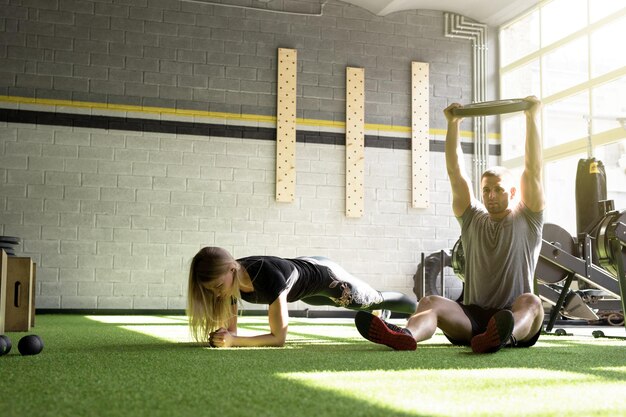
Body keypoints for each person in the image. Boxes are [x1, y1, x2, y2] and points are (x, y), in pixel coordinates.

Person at [355, 96, 545, 353]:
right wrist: (453, 124)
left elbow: (533, 169)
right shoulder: (472, 218)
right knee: (430, 301)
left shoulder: (528, 217)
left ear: (513, 193)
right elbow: (456, 173)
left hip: (513, 314)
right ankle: (406, 334)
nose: (490, 196)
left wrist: (531, 117)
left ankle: (503, 336)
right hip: (472, 318)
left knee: (532, 302)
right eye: (486, 190)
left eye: (498, 190)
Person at [187, 247, 417, 348]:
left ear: (231, 269)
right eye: (211, 290)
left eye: (217, 286)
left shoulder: (266, 276)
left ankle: (419, 309)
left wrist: (235, 342)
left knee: (372, 299)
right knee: (360, 306)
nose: (217, 293)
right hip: (308, 292)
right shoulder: (230, 283)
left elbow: (278, 339)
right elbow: (232, 332)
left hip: (326, 277)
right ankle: (381, 316)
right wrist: (226, 336)